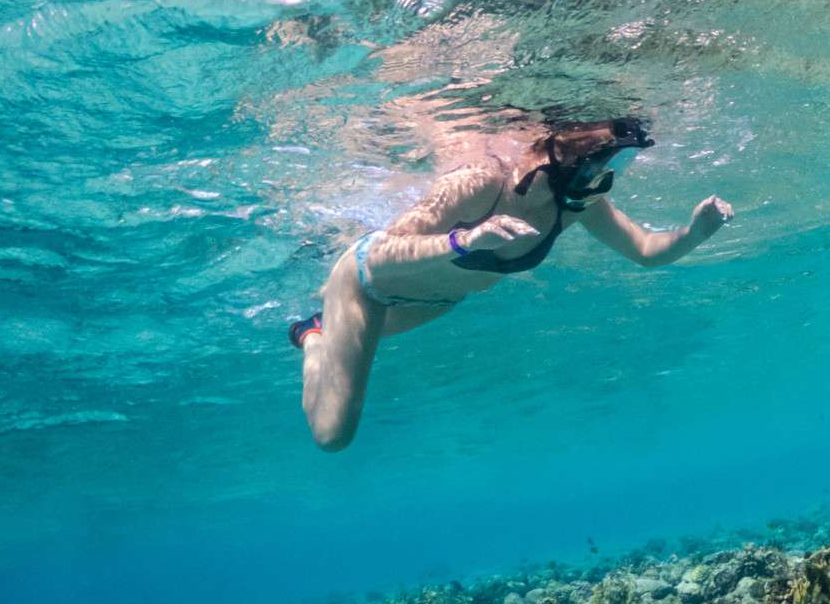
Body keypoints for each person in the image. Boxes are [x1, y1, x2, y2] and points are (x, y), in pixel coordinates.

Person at [291, 114, 730, 450]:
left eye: (606, 177)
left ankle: (319, 330)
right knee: (334, 436)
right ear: (568, 162)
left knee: (344, 376)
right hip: (368, 287)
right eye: (595, 173)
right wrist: (464, 240)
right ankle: (313, 337)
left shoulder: (578, 205)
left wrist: (695, 234)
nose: (599, 186)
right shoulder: (482, 181)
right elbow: (386, 249)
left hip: (436, 302)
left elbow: (646, 252)